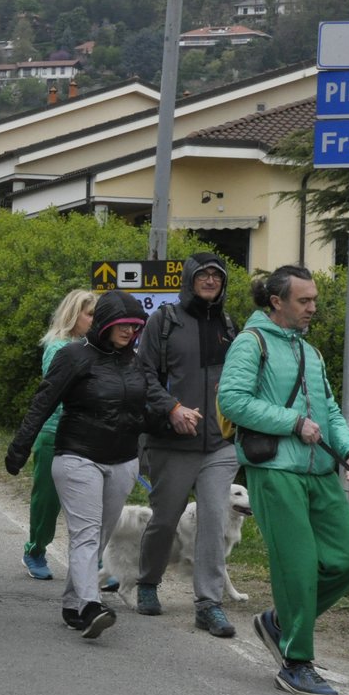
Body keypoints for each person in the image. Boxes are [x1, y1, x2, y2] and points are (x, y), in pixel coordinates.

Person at [218, 265, 349, 695]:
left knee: (348, 561)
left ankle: (281, 622)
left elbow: (331, 414)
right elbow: (232, 401)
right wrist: (293, 422)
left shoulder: (311, 352)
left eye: (314, 300)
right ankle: (296, 663)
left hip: (321, 471)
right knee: (299, 567)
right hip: (275, 471)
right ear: (276, 302)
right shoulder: (252, 343)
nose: (313, 308)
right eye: (304, 301)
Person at [5, 290, 165, 639]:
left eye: (134, 326)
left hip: (123, 460)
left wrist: (172, 419)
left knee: (101, 534)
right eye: (122, 324)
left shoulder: (136, 361)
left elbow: (146, 407)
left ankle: (73, 605)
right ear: (106, 323)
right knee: (86, 533)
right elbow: (42, 403)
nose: (128, 331)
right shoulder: (72, 355)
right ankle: (92, 605)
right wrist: (20, 448)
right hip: (77, 455)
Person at [133, 252, 242, 636]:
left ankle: (208, 603)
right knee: (164, 519)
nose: (211, 280)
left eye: (217, 275)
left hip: (220, 444)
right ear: (190, 279)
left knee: (214, 518)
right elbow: (142, 373)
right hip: (172, 439)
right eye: (204, 274)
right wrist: (172, 408)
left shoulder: (230, 325)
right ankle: (148, 583)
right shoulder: (164, 321)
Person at [21, 289, 98, 580]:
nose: (93, 319)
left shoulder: (98, 347)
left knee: (93, 502)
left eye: (95, 314)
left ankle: (96, 561)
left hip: (89, 434)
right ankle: (36, 549)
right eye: (89, 314)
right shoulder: (58, 348)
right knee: (48, 500)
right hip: (55, 432)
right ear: (72, 315)